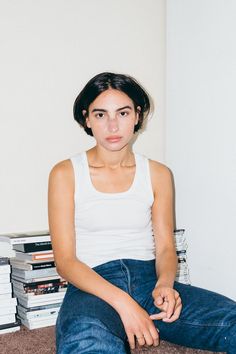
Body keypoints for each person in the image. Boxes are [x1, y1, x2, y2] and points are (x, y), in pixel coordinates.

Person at [48, 72, 236, 354]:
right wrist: (125, 304)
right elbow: (65, 261)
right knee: (88, 342)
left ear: (137, 115)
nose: (113, 125)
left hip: (149, 281)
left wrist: (165, 285)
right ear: (87, 119)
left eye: (122, 113)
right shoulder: (65, 173)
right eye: (100, 115)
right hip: (92, 287)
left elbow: (164, 249)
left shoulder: (158, 173)